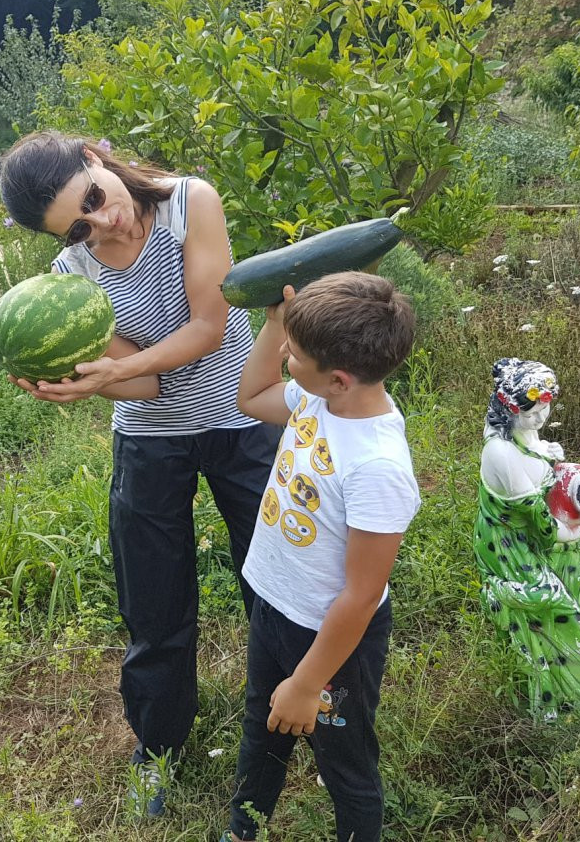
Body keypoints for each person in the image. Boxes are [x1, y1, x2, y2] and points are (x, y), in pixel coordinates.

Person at [0, 131, 280, 814]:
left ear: (94, 158)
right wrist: (83, 385)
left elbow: (210, 327)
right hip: (151, 440)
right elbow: (150, 391)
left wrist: (113, 370)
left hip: (241, 419)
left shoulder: (192, 203)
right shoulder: (73, 275)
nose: (103, 221)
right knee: (152, 599)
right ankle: (157, 745)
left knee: (275, 578)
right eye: (78, 225)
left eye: (92, 199)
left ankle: (288, 722)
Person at [222, 272, 421, 842]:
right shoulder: (318, 399)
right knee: (262, 727)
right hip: (274, 605)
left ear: (338, 378)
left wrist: (310, 682)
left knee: (345, 763)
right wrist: (274, 325)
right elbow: (250, 397)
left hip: (332, 642)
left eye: (295, 353)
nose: (286, 355)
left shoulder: (377, 465)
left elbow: (361, 596)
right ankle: (243, 830)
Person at [475, 358, 580, 721]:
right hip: (512, 545)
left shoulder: (520, 432)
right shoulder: (500, 453)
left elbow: (534, 448)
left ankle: (579, 682)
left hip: (539, 535)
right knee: (557, 609)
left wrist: (545, 452)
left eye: (546, 407)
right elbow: (544, 527)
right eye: (531, 411)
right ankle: (559, 696)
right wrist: (578, 529)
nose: (540, 418)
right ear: (509, 407)